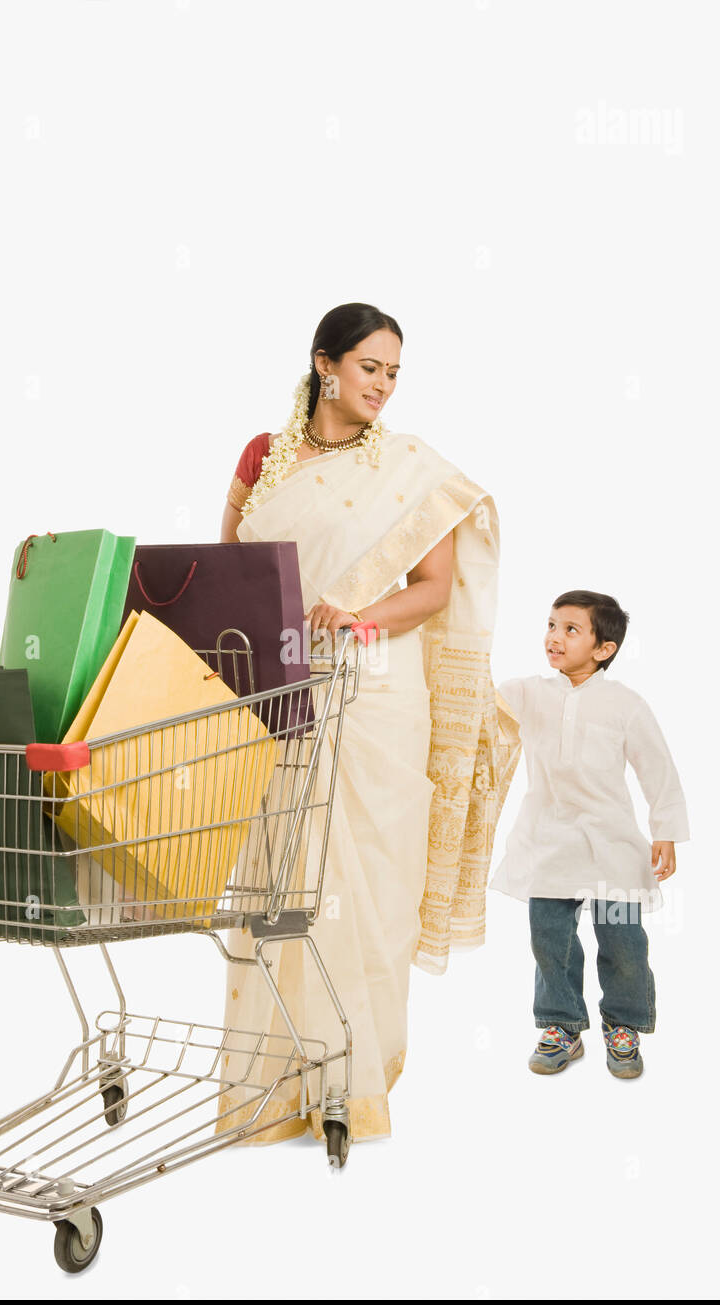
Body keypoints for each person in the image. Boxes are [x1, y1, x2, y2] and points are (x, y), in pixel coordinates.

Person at [215, 302, 520, 1143]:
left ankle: (353, 1082)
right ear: (326, 366)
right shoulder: (263, 455)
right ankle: (277, 1088)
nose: (382, 386)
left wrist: (358, 618)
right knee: (283, 876)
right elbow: (231, 563)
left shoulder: (411, 471)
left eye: (393, 373)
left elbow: (432, 587)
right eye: (369, 368)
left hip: (376, 694)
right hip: (281, 687)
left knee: (372, 883)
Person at [490, 590, 690, 1079]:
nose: (554, 637)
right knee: (550, 940)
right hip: (547, 843)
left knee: (623, 941)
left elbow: (656, 767)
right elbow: (481, 699)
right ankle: (561, 1025)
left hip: (613, 848)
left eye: (571, 630)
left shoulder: (625, 705)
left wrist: (663, 830)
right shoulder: (528, 693)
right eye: (552, 625)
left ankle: (623, 1026)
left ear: (604, 649)